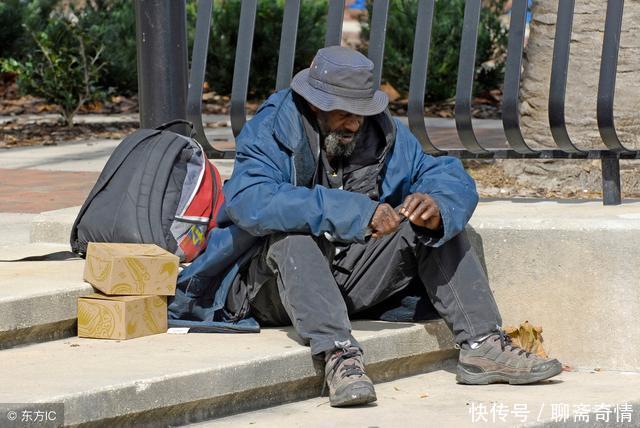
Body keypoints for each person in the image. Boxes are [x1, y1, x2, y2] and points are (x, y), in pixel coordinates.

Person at [169, 46, 562, 408]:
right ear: (313, 103)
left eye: (361, 111)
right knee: (291, 236)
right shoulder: (272, 127)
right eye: (342, 111)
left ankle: (483, 345)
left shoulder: (381, 131)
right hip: (271, 286)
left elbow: (442, 174)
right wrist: (356, 212)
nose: (354, 122)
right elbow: (251, 201)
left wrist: (438, 206)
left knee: (430, 224)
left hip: (347, 277)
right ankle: (339, 356)